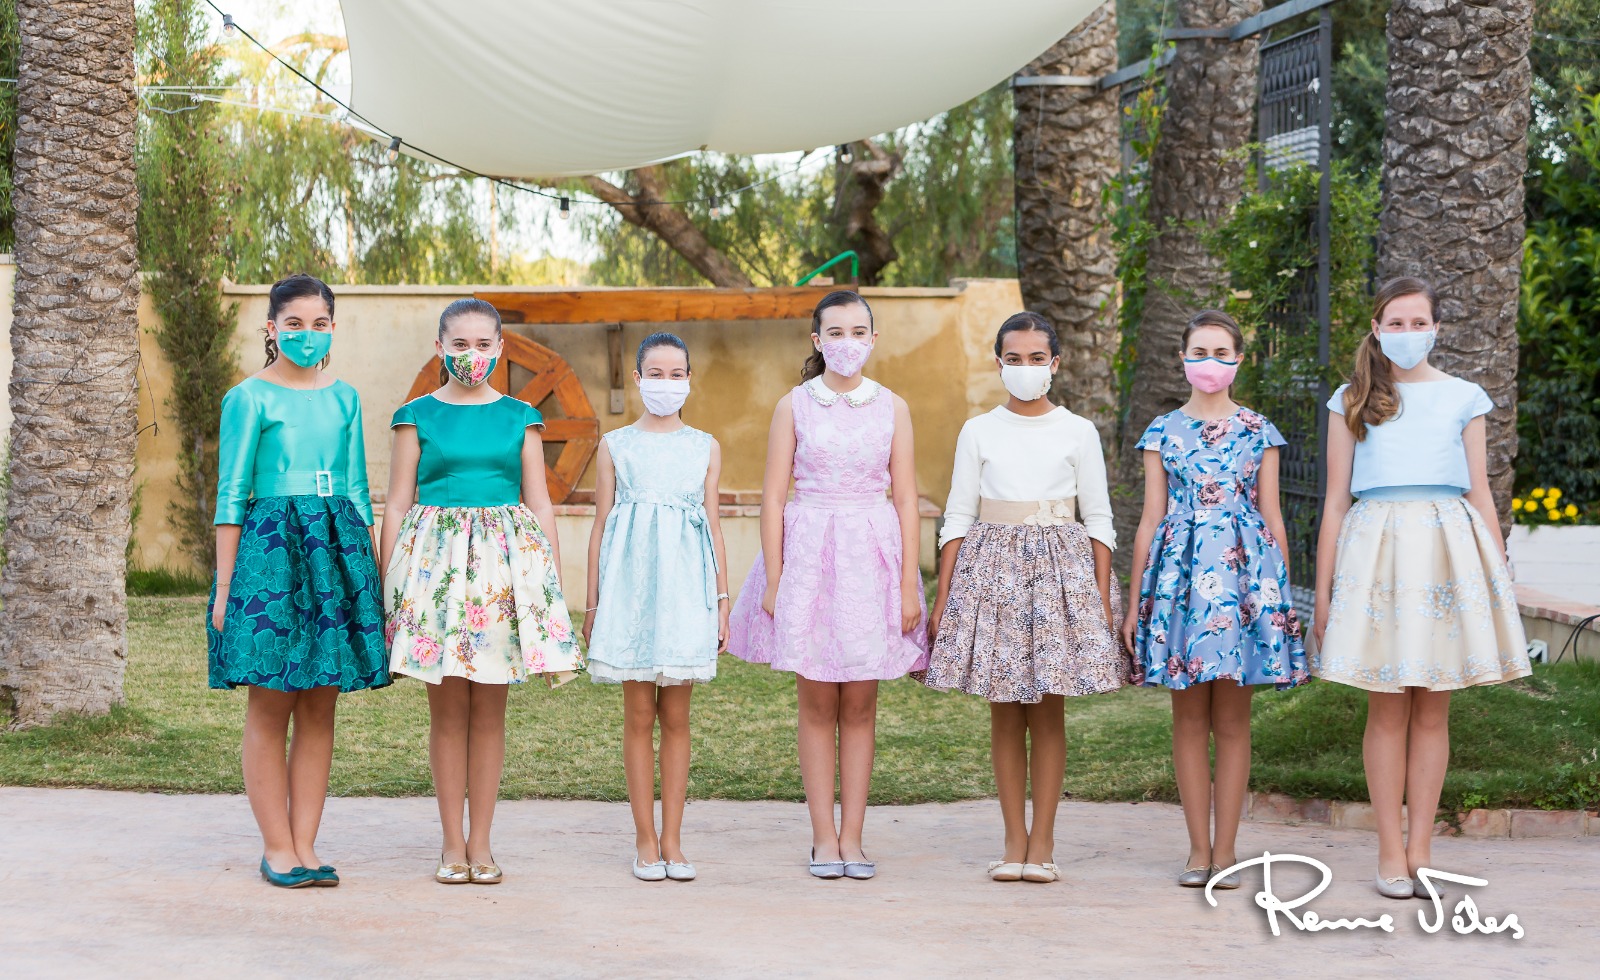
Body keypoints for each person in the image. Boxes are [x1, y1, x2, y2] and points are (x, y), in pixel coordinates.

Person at [1313, 277, 1531, 900]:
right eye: (1395, 323)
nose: (1407, 333)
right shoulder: (1351, 399)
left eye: (1418, 323)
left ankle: (1422, 850)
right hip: (1377, 553)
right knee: (1387, 706)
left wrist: (1496, 572)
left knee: (1433, 708)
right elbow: (1334, 502)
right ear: (1376, 329)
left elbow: (1480, 492)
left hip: (1446, 551)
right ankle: (1389, 850)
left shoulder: (1464, 397)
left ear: (1436, 328)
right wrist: (1324, 594)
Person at [727, 289, 928, 881]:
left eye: (858, 331)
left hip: (871, 559)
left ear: (873, 339)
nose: (847, 342)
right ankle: (822, 838)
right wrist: (775, 577)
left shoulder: (893, 407)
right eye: (835, 332)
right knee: (817, 703)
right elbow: (772, 497)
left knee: (860, 704)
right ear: (817, 340)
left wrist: (909, 586)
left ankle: (854, 839)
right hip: (809, 557)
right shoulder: (794, 405)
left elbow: (906, 497)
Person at [381, 298, 582, 885]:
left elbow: (539, 502)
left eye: (483, 345)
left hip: (503, 572)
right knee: (447, 714)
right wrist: (389, 580)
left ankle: (482, 844)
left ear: (500, 349)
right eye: (460, 344)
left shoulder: (522, 417)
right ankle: (451, 843)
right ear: (440, 348)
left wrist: (548, 581)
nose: (472, 354)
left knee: (490, 713)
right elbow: (396, 502)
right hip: (434, 573)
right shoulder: (414, 415)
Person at [920, 312, 1123, 884]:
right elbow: (958, 514)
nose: (1026, 368)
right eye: (1014, 358)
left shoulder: (1078, 431)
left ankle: (1044, 844)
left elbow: (1099, 517)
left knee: (1048, 710)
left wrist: (1099, 598)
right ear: (999, 363)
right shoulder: (978, 430)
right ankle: (1013, 842)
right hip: (993, 576)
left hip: (1061, 577)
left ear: (1055, 363)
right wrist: (944, 596)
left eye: (1037, 358)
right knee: (1005, 711)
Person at [210, 273, 389, 889]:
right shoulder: (248, 398)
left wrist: (369, 578)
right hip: (271, 552)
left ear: (333, 328)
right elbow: (231, 496)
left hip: (336, 548)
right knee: (271, 699)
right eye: (294, 324)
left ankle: (306, 843)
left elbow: (359, 490)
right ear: (272, 328)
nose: (307, 334)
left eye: (319, 324)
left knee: (320, 701)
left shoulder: (346, 399)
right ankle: (276, 846)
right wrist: (226, 589)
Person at [1122, 309, 1310, 890]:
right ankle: (1196, 851)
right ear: (1183, 358)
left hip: (1245, 583)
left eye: (1222, 353)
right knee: (1187, 717)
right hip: (1178, 585)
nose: (1211, 362)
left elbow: (1272, 515)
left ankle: (1226, 853)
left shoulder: (1259, 430)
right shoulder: (1161, 431)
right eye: (1200, 352)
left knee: (1232, 720)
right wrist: (1133, 603)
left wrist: (1280, 600)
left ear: (1239, 359)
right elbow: (1150, 518)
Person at [583, 332, 731, 882]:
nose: (666, 383)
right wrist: (593, 604)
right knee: (639, 715)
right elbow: (600, 526)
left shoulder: (705, 446)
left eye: (676, 374)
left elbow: (713, 526)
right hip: (630, 592)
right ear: (637, 378)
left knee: (677, 717)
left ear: (689, 380)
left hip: (686, 592)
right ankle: (644, 839)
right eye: (655, 374)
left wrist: (722, 599)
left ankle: (674, 839)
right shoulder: (616, 445)